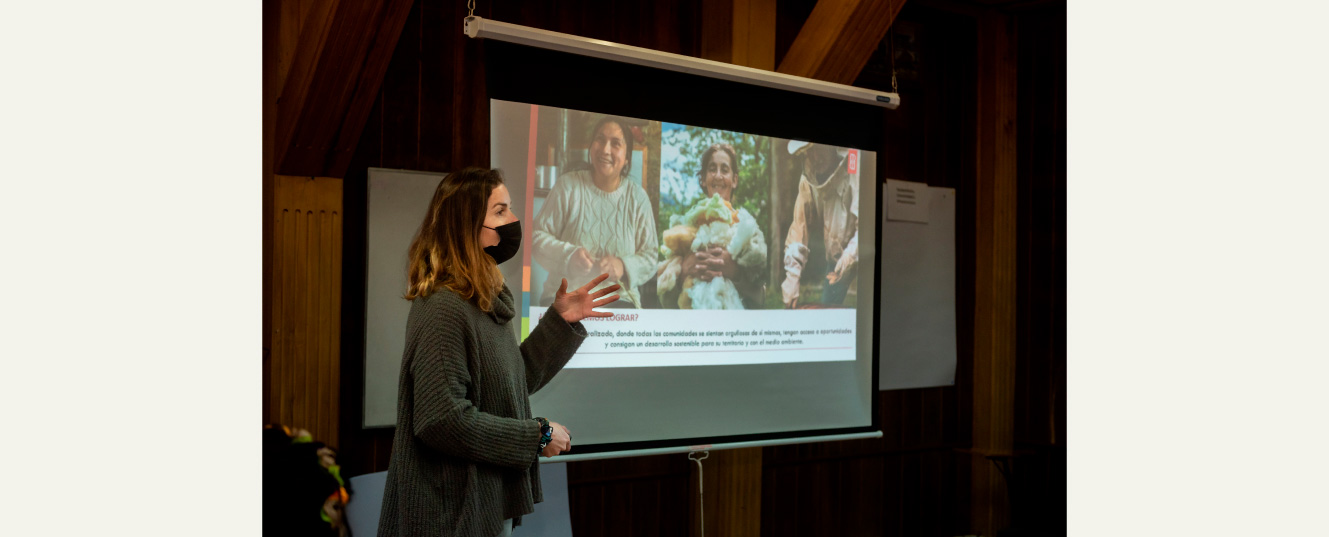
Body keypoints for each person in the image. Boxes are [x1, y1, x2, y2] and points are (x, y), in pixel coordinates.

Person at [378, 167, 620, 537]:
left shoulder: (478, 299)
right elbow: (441, 420)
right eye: (501, 211)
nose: (515, 220)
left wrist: (560, 321)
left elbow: (510, 381)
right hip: (449, 516)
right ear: (467, 224)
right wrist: (536, 435)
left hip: (480, 505)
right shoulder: (443, 306)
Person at [532, 116, 658, 308]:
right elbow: (536, 238)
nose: (606, 149)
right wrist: (569, 256)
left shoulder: (637, 197)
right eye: (600, 139)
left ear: (627, 158)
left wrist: (623, 266)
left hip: (619, 301)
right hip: (566, 298)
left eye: (615, 143)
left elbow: (650, 256)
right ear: (591, 147)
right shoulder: (568, 186)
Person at [656, 143, 768, 309]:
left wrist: (735, 273)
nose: (717, 175)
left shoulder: (748, 228)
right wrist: (684, 271)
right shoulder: (685, 226)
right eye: (711, 169)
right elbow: (664, 300)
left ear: (734, 179)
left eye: (724, 170)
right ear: (703, 178)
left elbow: (762, 297)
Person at [781, 142, 859, 308]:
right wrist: (793, 275)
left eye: (818, 148)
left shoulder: (854, 161)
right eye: (809, 152)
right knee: (828, 308)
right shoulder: (807, 178)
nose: (815, 157)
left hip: (864, 255)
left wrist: (850, 257)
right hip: (835, 260)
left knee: (868, 312)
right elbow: (799, 225)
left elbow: (867, 227)